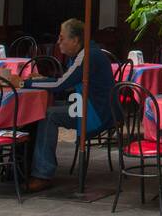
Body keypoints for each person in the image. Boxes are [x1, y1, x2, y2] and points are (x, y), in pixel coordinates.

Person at [24, 18, 116, 193]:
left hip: (95, 112)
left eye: (62, 38)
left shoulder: (87, 56)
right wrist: (43, 80)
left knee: (48, 115)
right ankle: (31, 164)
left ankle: (42, 173)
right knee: (44, 109)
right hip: (89, 105)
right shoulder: (85, 53)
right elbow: (66, 82)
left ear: (75, 40)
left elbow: (60, 85)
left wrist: (24, 84)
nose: (59, 42)